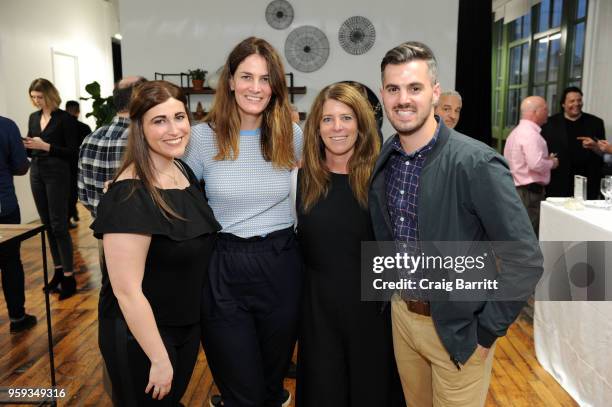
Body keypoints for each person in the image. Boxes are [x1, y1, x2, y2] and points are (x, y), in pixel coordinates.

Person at [369, 41, 543, 407]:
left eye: (414, 88)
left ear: (434, 92)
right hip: (403, 318)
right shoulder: (390, 154)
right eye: (393, 89)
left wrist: (486, 332)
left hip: (459, 330)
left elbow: (525, 259)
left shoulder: (475, 163)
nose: (403, 99)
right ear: (383, 93)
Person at [183, 36, 302, 407]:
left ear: (274, 86)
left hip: (281, 264)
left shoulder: (291, 135)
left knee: (270, 384)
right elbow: (173, 189)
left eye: (265, 79)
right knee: (242, 390)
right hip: (224, 267)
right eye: (246, 76)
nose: (255, 87)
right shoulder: (202, 138)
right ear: (230, 81)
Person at [91, 80, 220, 405]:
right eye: (159, 121)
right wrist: (159, 358)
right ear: (140, 129)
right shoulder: (129, 194)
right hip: (142, 336)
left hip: (185, 327)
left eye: (179, 117)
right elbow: (126, 291)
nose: (174, 129)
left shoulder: (183, 172)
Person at [296, 82, 399, 406]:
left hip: (372, 314)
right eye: (328, 119)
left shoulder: (383, 179)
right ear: (316, 126)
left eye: (346, 117)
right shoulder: (301, 180)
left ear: (362, 125)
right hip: (318, 312)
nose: (337, 127)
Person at [24, 78, 80, 299]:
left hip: (57, 172)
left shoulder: (65, 119)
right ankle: (58, 271)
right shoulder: (33, 117)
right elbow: (32, 149)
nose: (36, 101)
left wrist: (45, 146)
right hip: (36, 171)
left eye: (40, 97)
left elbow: (73, 152)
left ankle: (69, 276)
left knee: (59, 225)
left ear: (49, 95)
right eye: (33, 97)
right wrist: (27, 146)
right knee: (47, 224)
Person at [78, 76, 146, 217]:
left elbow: (83, 195)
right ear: (143, 99)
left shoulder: (89, 138)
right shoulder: (144, 138)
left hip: (102, 228)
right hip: (143, 230)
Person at [0, 115, 36, 333]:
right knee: (10, 262)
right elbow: (21, 166)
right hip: (4, 206)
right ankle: (17, 317)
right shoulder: (6, 125)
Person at [504, 96, 559, 235]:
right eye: (545, 109)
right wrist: (552, 162)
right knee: (529, 235)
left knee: (517, 232)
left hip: (516, 189)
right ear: (536, 112)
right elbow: (535, 164)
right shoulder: (530, 135)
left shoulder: (516, 132)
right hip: (529, 194)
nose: (548, 112)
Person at [541, 86, 606, 199]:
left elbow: (603, 154)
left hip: (588, 181)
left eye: (579, 100)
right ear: (563, 104)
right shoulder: (549, 124)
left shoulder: (596, 123)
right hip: (558, 182)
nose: (576, 104)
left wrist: (595, 146)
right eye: (572, 101)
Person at [65, 100, 92, 226]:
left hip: (63, 164)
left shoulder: (62, 126)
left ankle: (69, 216)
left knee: (65, 193)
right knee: (74, 192)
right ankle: (72, 214)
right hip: (78, 164)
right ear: (78, 111)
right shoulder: (84, 127)